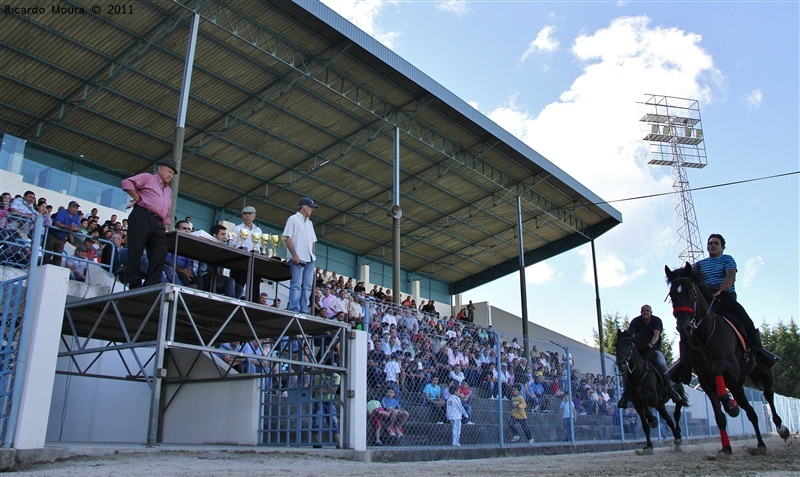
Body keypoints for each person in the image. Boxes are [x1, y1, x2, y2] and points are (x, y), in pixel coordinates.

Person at [693, 234, 779, 373]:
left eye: (716, 243)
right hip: (706, 300)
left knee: (746, 321)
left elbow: (731, 276)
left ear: (722, 247)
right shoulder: (698, 265)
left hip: (725, 297)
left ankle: (760, 353)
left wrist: (720, 289)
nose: (712, 245)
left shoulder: (727, 259)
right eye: (710, 243)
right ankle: (684, 362)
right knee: (687, 324)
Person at [121, 159, 176, 288]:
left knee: (160, 252)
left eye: (172, 174)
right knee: (136, 250)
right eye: (169, 171)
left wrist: (165, 229)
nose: (171, 175)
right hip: (142, 214)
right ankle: (134, 284)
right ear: (160, 169)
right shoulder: (148, 178)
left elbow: (167, 212)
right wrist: (137, 197)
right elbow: (126, 182)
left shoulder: (168, 191)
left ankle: (150, 285)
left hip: (158, 221)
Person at [618, 305, 683, 408]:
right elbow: (630, 333)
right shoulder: (635, 321)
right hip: (639, 351)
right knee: (628, 368)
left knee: (662, 363)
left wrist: (651, 344)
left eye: (647, 311)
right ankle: (625, 395)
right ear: (640, 312)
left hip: (654, 349)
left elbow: (656, 334)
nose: (645, 312)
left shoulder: (656, 321)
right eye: (643, 311)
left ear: (651, 312)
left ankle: (672, 390)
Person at [283, 197, 318, 313]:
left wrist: (313, 254)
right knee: (297, 284)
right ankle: (294, 308)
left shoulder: (309, 223)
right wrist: (294, 255)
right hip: (298, 256)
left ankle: (303, 310)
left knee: (307, 286)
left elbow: (313, 241)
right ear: (304, 207)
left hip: (309, 258)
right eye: (311, 207)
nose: (312, 209)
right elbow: (288, 238)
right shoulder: (292, 219)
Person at [229, 206, 263, 301]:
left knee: (255, 286)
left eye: (250, 214)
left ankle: (254, 306)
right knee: (237, 286)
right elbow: (231, 245)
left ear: (254, 216)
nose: (247, 215)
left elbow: (260, 246)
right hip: (240, 261)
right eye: (245, 214)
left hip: (254, 261)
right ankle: (232, 303)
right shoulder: (236, 229)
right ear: (242, 216)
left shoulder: (258, 230)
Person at [44, 200, 81, 266]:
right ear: (69, 207)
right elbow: (57, 223)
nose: (75, 209)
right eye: (74, 207)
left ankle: (56, 269)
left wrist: (75, 228)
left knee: (58, 255)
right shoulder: (63, 212)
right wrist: (69, 227)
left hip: (62, 238)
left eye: (77, 208)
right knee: (47, 253)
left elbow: (78, 227)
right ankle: (43, 266)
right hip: (53, 235)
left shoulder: (76, 217)